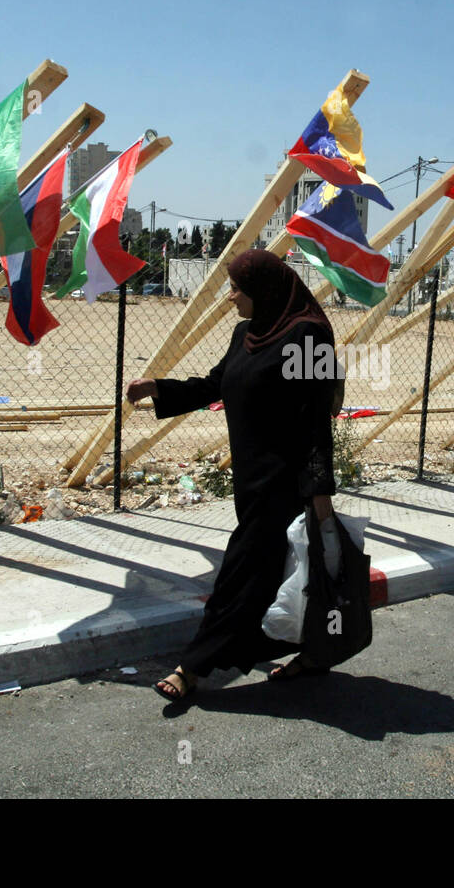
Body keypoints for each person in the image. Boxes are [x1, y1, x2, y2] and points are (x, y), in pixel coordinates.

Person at [125, 250, 337, 701]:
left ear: (263, 289)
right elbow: (213, 385)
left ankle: (193, 667)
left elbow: (318, 421)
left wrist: (320, 492)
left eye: (237, 288)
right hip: (250, 479)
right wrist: (158, 388)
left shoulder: (309, 338)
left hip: (285, 481)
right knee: (280, 575)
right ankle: (313, 651)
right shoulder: (246, 334)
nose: (230, 297)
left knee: (239, 575)